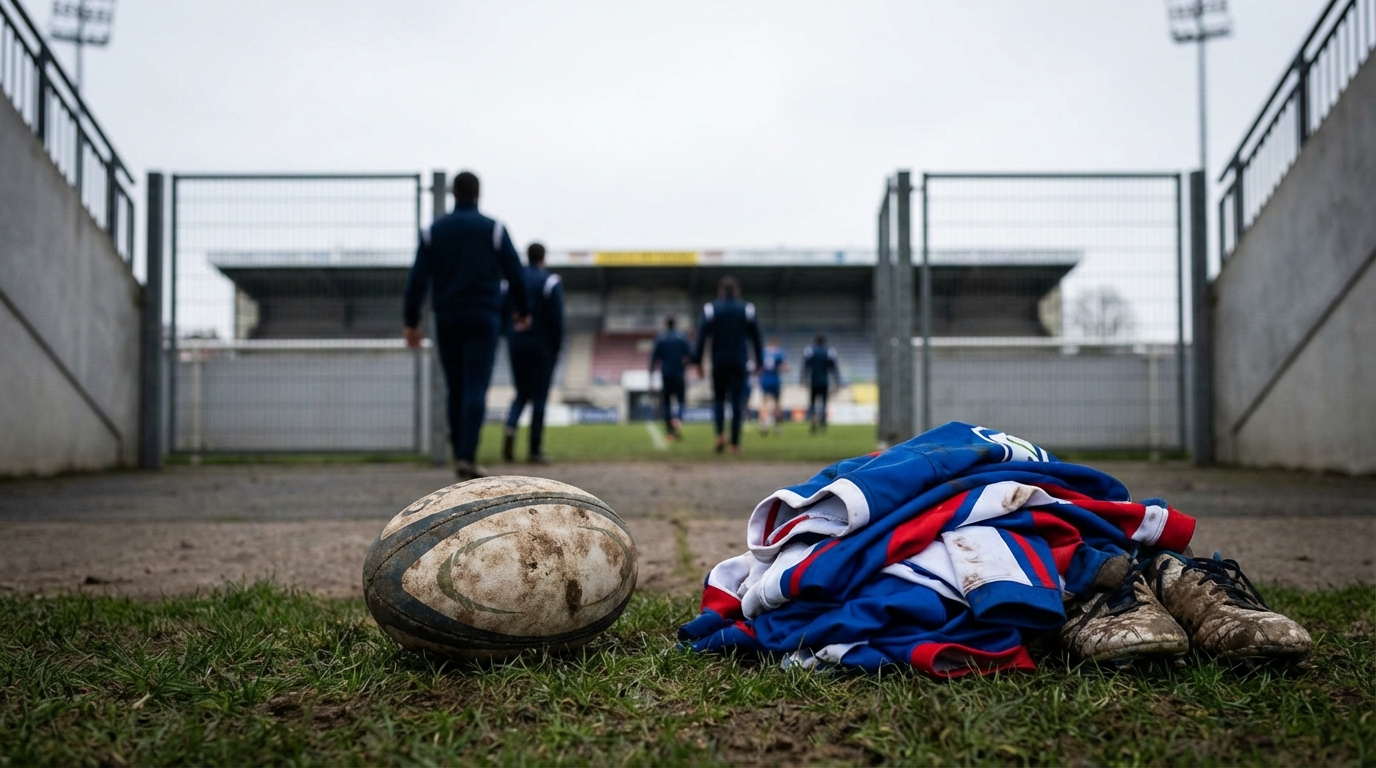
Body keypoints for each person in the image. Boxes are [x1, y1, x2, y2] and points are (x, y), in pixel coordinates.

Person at [403, 171, 529, 480]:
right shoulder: (494, 229)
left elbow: (417, 278)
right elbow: (515, 272)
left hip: (446, 316)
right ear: (477, 194)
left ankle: (459, 447)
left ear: (451, 193)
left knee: (455, 386)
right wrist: (523, 309)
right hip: (483, 316)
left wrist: (411, 321)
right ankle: (466, 455)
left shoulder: (434, 230)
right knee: (476, 386)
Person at [501, 243, 564, 465]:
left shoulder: (512, 281)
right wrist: (556, 349)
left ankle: (510, 427)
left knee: (521, 394)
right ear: (543, 257)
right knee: (539, 398)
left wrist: (509, 336)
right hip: (541, 347)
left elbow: (503, 311)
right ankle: (534, 449)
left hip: (517, 344)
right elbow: (557, 320)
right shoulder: (549, 282)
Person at [691, 276, 763, 454]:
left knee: (719, 399)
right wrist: (760, 361)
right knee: (737, 402)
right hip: (739, 361)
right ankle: (735, 444)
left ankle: (720, 434)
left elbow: (701, 338)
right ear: (737, 291)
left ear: (720, 291)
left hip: (719, 361)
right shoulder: (747, 309)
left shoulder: (711, 309)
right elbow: (757, 338)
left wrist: (697, 361)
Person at [648, 316, 692, 440]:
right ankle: (678, 419)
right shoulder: (682, 337)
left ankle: (670, 432)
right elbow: (690, 355)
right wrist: (684, 366)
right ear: (675, 324)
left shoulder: (661, 338)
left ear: (665, 324)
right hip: (679, 374)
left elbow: (653, 359)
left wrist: (651, 378)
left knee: (667, 402)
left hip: (666, 374)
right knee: (681, 400)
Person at [801, 333, 841, 434]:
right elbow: (834, 368)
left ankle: (813, 421)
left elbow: (805, 367)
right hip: (824, 381)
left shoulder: (810, 351)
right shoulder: (829, 351)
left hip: (813, 381)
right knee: (823, 403)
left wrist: (804, 380)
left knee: (812, 403)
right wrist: (837, 382)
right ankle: (823, 424)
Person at [757, 337, 788, 436]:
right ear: (776, 344)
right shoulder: (778, 352)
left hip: (765, 380)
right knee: (777, 404)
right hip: (775, 380)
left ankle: (763, 425)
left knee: (764, 403)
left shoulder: (762, 352)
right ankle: (777, 428)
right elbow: (785, 367)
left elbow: (758, 367)